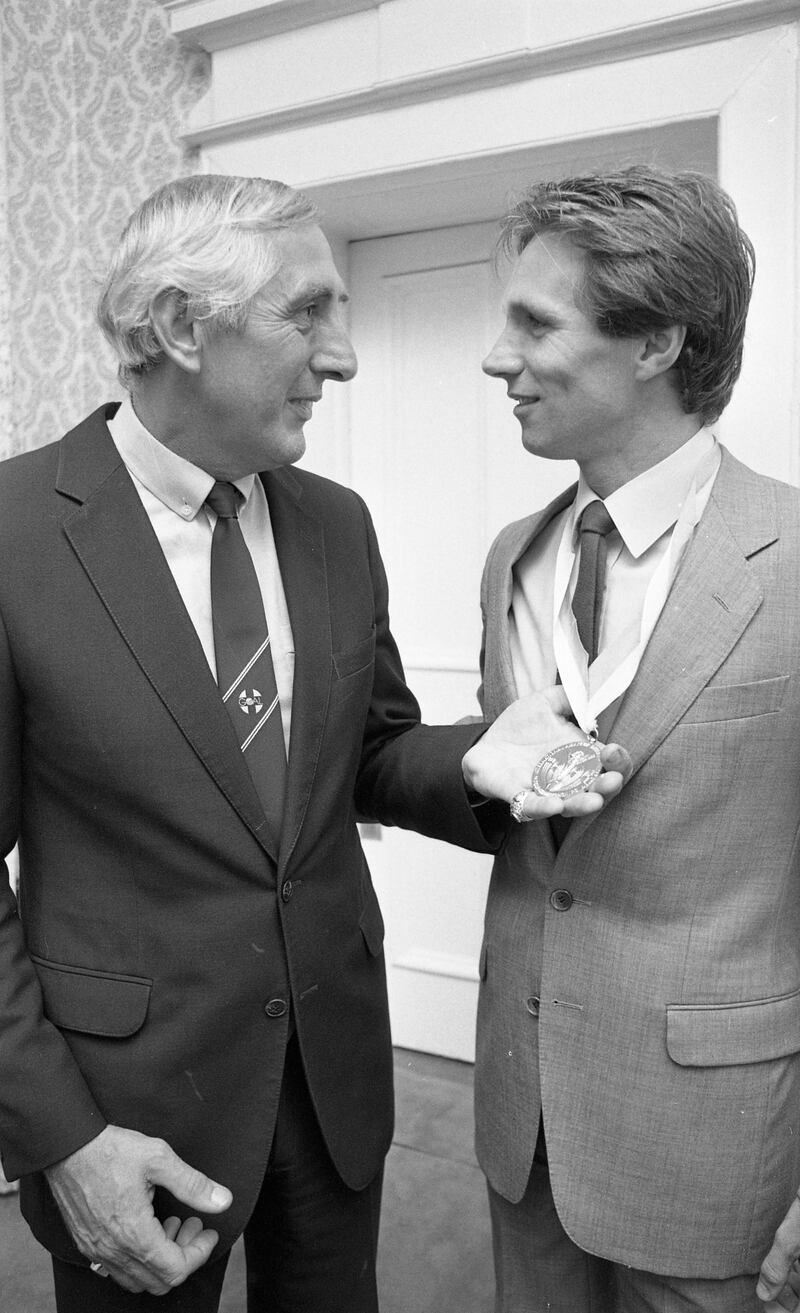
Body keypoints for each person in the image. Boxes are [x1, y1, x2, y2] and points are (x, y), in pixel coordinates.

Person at [0, 174, 625, 1313]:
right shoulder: (12, 533)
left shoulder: (334, 521)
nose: (341, 356)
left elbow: (373, 750)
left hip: (332, 1084)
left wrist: (486, 756)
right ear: (186, 327)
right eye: (308, 312)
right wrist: (62, 1139)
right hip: (125, 1115)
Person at [472, 165, 800, 1312]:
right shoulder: (512, 553)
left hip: (714, 1141)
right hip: (524, 1121)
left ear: (655, 343)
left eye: (532, 322)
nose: (493, 356)